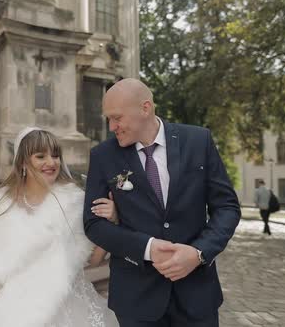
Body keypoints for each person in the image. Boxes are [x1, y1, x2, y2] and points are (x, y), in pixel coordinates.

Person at [83, 78, 241, 327]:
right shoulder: (103, 156)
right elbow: (93, 224)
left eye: (117, 118)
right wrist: (148, 248)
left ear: (145, 108)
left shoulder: (199, 141)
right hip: (136, 300)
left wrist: (198, 253)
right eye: (109, 119)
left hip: (197, 296)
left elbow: (227, 208)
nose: (112, 126)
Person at [0, 127, 119, 327]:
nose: (51, 162)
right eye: (40, 156)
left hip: (63, 305)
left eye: (55, 156)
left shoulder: (74, 202)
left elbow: (93, 259)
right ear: (23, 163)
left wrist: (113, 222)